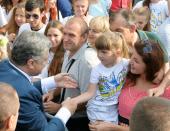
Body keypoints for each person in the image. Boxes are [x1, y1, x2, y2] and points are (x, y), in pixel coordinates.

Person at [0, 31, 78, 131]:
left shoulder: (4, 64)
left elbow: (16, 86)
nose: (47, 63)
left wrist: (52, 81)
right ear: (31, 63)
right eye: (45, 60)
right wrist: (66, 111)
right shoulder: (26, 94)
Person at [89, 39, 170, 131]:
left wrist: (114, 128)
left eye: (136, 61)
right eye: (131, 56)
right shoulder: (126, 75)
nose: (130, 61)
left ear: (149, 66)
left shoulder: (162, 91)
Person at [70, 31, 129, 124]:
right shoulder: (97, 70)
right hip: (96, 109)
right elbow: (89, 93)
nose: (99, 55)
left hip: (113, 109)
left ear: (117, 52)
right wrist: (73, 101)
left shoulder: (126, 64)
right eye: (98, 51)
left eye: (104, 52)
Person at [109, 9, 169, 78]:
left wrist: (161, 74)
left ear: (132, 28)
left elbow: (166, 65)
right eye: (111, 31)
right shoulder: (111, 47)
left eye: (118, 31)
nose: (113, 36)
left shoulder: (151, 38)